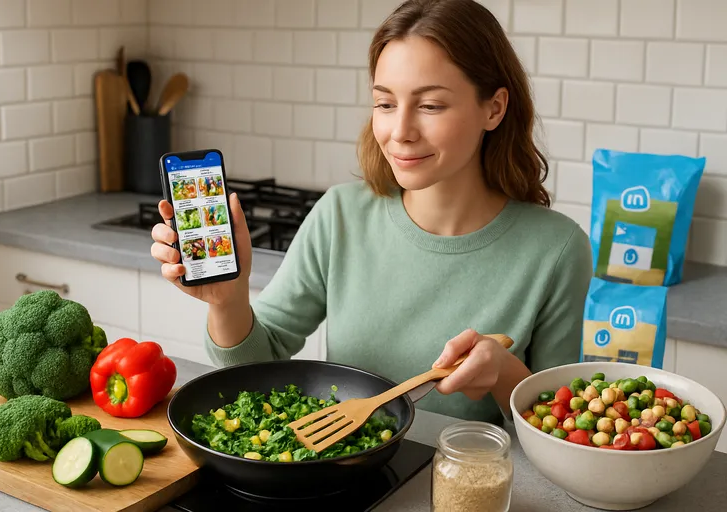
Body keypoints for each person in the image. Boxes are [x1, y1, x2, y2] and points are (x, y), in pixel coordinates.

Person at [151, 0, 593, 426]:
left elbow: (566, 430)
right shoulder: (340, 216)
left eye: (430, 105)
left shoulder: (557, 249)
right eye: (385, 103)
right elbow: (255, 367)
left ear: (494, 108)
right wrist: (229, 301)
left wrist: (506, 375)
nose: (399, 132)